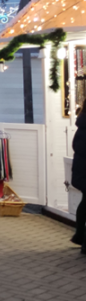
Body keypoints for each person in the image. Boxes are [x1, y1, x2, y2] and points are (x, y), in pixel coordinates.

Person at [70, 100, 86, 254]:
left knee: (84, 203)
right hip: (84, 172)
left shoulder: (82, 125)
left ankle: (80, 236)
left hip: (81, 172)